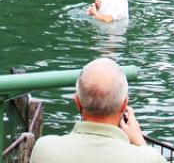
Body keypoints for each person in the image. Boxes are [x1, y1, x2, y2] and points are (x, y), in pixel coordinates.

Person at [29, 58, 164, 163]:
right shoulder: (148, 159)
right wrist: (139, 141)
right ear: (124, 105)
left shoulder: (45, 149)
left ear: (77, 102)